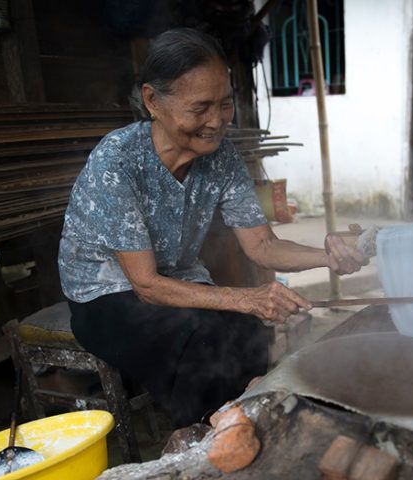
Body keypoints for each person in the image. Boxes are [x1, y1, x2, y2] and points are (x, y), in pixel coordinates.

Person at [58, 28, 365, 427]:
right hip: (105, 297)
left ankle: (245, 424)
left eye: (224, 104)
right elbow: (146, 285)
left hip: (177, 281)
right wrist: (246, 297)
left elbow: (263, 246)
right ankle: (205, 436)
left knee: (247, 330)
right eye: (201, 107)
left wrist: (329, 257)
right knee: (198, 343)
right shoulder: (117, 162)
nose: (217, 121)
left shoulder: (221, 158)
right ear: (153, 100)